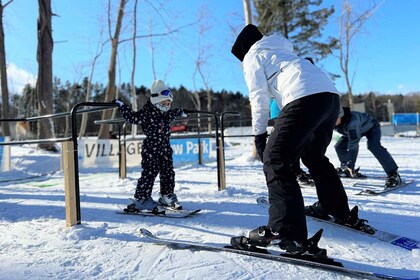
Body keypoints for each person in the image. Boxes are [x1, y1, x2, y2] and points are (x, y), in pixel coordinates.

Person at [231, 24, 373, 255]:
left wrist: (258, 135)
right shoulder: (282, 51)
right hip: (329, 98)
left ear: (244, 50)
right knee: (314, 156)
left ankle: (285, 233)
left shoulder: (253, 55)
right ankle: (335, 208)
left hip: (303, 98)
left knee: (275, 160)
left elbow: (258, 98)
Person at [114, 80, 189, 211]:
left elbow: (174, 112)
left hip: (165, 148)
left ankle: (166, 196)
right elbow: (132, 117)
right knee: (149, 172)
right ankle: (142, 198)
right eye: (164, 103)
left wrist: (181, 111)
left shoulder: (166, 114)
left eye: (169, 103)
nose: (167, 106)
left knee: (168, 172)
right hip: (151, 148)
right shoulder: (147, 113)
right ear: (156, 100)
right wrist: (122, 106)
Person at [335, 106, 401, 188]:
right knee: (339, 146)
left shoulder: (352, 121)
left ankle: (393, 174)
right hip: (354, 130)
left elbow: (353, 144)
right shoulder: (332, 121)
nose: (332, 122)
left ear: (341, 116)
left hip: (371, 127)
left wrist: (351, 163)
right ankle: (346, 169)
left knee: (373, 146)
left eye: (334, 119)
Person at [269, 98, 313, 186]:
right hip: (283, 110)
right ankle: (294, 173)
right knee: (291, 145)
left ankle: (295, 171)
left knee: (294, 144)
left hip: (287, 109)